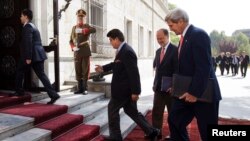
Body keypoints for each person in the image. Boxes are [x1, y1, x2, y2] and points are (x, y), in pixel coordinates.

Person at [165, 8, 222, 141]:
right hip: (187, 94)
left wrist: (194, 92)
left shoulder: (198, 35)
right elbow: (185, 68)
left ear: (180, 21)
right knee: (174, 120)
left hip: (203, 94)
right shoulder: (183, 38)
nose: (170, 29)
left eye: (171, 25)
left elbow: (204, 67)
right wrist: (177, 87)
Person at [95, 29, 160, 141]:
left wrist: (136, 92)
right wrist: (103, 68)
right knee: (132, 112)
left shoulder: (127, 51)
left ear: (117, 39)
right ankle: (152, 131)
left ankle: (116, 137)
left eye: (111, 40)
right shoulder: (122, 50)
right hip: (125, 91)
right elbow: (117, 64)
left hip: (123, 91)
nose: (110, 43)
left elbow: (134, 73)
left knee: (112, 109)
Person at [13, 9, 60, 104]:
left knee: (19, 70)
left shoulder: (27, 27)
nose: (20, 18)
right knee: (42, 75)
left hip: (31, 55)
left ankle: (19, 91)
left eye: (21, 16)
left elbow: (28, 43)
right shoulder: (33, 26)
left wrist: (28, 57)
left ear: (26, 16)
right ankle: (54, 94)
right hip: (38, 55)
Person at [147, 28, 178, 140]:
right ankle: (156, 132)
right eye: (157, 38)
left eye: (161, 38)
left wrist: (174, 86)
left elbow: (177, 70)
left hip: (171, 89)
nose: (159, 40)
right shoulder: (158, 51)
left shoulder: (175, 50)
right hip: (159, 88)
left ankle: (174, 135)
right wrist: (155, 83)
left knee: (172, 113)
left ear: (167, 36)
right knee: (157, 112)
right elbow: (157, 70)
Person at [69, 9, 96, 94]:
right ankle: (79, 88)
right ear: (77, 17)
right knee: (78, 70)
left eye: (82, 17)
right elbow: (70, 40)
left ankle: (85, 88)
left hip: (85, 49)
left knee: (85, 69)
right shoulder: (74, 28)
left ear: (84, 18)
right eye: (79, 17)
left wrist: (85, 30)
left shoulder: (87, 26)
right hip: (77, 51)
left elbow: (94, 30)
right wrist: (73, 47)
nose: (80, 18)